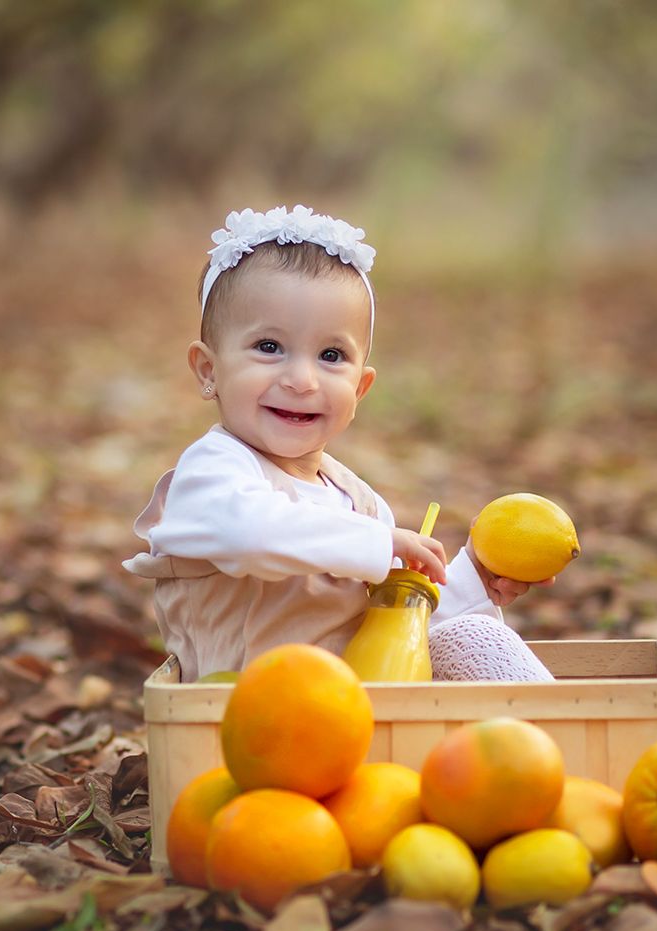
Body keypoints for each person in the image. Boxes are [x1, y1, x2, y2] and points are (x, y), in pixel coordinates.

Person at [124, 205, 555, 683]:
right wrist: (379, 544)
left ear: (360, 389)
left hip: (350, 725)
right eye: (269, 347)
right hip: (246, 725)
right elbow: (251, 534)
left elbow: (398, 632)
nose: (301, 379)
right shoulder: (212, 475)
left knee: (475, 639)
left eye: (331, 355)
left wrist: (473, 577)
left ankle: (562, 744)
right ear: (209, 370)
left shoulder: (359, 504)